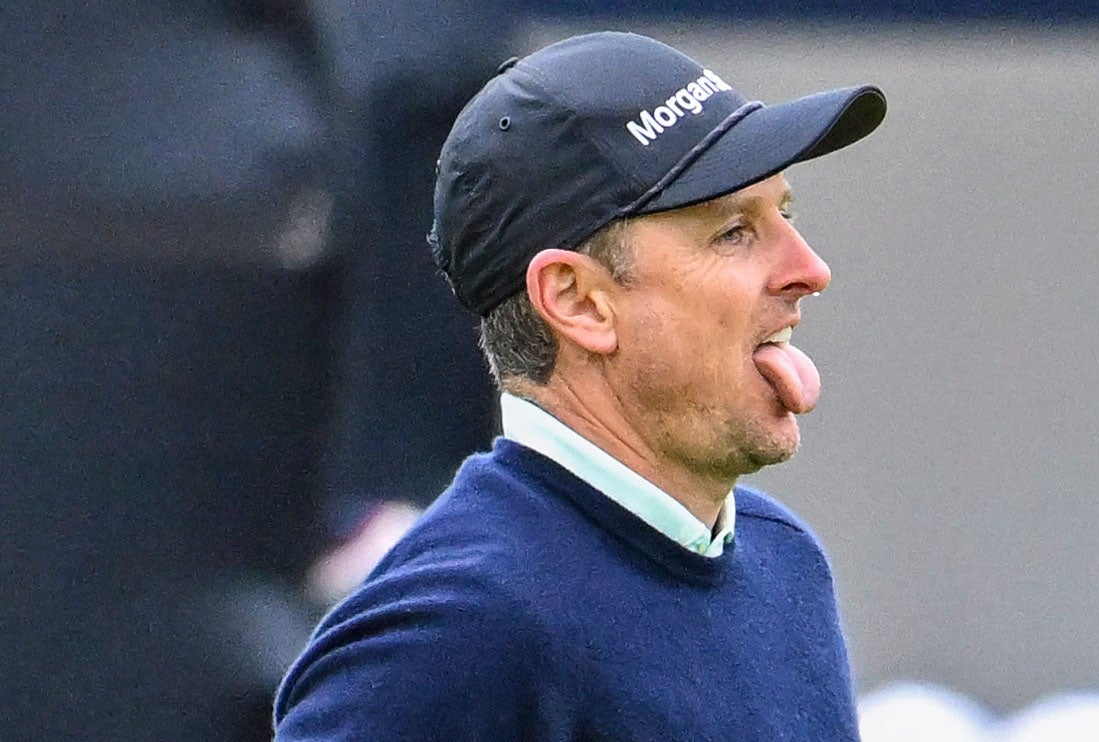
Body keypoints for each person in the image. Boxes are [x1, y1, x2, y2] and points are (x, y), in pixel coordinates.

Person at [273, 30, 887, 739]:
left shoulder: (785, 562)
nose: (809, 269)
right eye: (732, 232)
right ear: (578, 301)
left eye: (785, 213)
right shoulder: (454, 633)